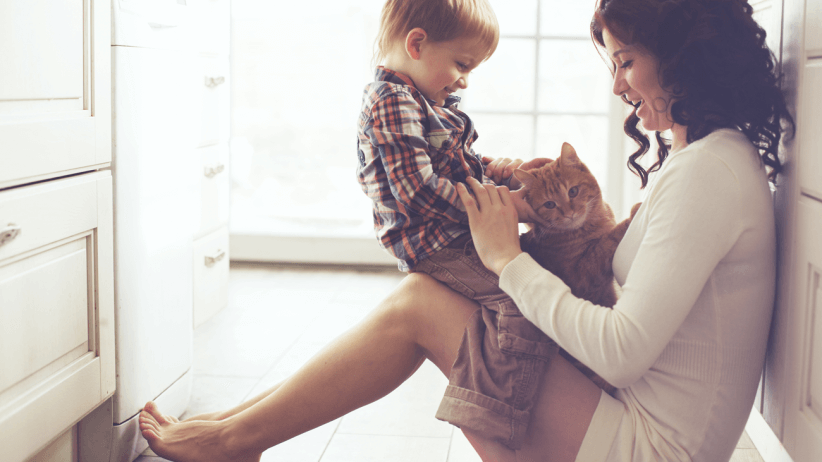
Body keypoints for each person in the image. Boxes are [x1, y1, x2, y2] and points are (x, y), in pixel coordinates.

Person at [138, 0, 795, 461]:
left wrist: (510, 260)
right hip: (636, 423)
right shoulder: (704, 160)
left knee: (419, 303)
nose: (619, 84)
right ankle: (234, 429)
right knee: (419, 298)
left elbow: (621, 350)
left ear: (681, 57)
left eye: (626, 62)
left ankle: (232, 439)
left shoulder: (707, 173)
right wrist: (551, 209)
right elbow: (637, 271)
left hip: (644, 450)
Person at [356, 0, 562, 449]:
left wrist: (501, 173)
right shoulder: (391, 102)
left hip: (454, 232)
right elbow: (420, 189)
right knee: (521, 302)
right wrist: (504, 207)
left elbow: (457, 164)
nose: (465, 79)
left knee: (539, 281)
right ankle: (501, 426)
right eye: (461, 64)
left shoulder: (423, 100)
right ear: (416, 43)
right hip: (436, 243)